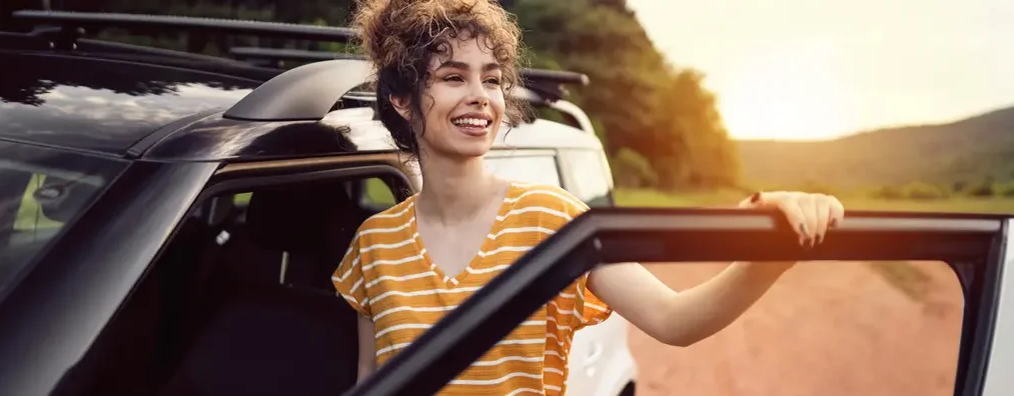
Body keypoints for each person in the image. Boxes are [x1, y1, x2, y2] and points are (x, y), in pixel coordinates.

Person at [331, 0, 845, 394]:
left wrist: (771, 252)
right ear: (400, 100)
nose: (481, 97)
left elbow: (675, 319)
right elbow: (369, 379)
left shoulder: (553, 219)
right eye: (451, 77)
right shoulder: (374, 242)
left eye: (491, 79)